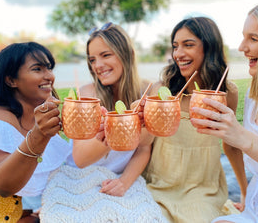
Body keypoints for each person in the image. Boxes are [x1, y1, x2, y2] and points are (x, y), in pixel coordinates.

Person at [40, 23, 167, 222]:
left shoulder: (148, 92)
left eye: (106, 55)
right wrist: (117, 128)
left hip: (120, 177)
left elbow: (144, 148)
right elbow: (81, 159)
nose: (97, 65)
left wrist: (124, 183)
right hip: (80, 176)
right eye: (92, 59)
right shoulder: (88, 95)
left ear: (128, 54)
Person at [142, 17, 239, 223]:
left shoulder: (226, 93)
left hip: (201, 191)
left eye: (188, 45)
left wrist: (246, 194)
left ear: (209, 48)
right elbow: (145, 143)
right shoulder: (161, 91)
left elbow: (231, 147)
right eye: (175, 46)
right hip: (158, 185)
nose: (178, 54)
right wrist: (138, 117)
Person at [0, 42, 72, 222]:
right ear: (11, 80)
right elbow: (3, 187)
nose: (49, 76)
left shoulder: (40, 117)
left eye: (49, 68)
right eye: (37, 69)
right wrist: (38, 137)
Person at [191, 3, 258, 222]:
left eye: (253, 39)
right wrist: (245, 192)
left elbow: (243, 141)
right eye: (244, 37)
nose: (242, 47)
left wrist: (241, 136)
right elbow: (235, 146)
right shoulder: (254, 96)